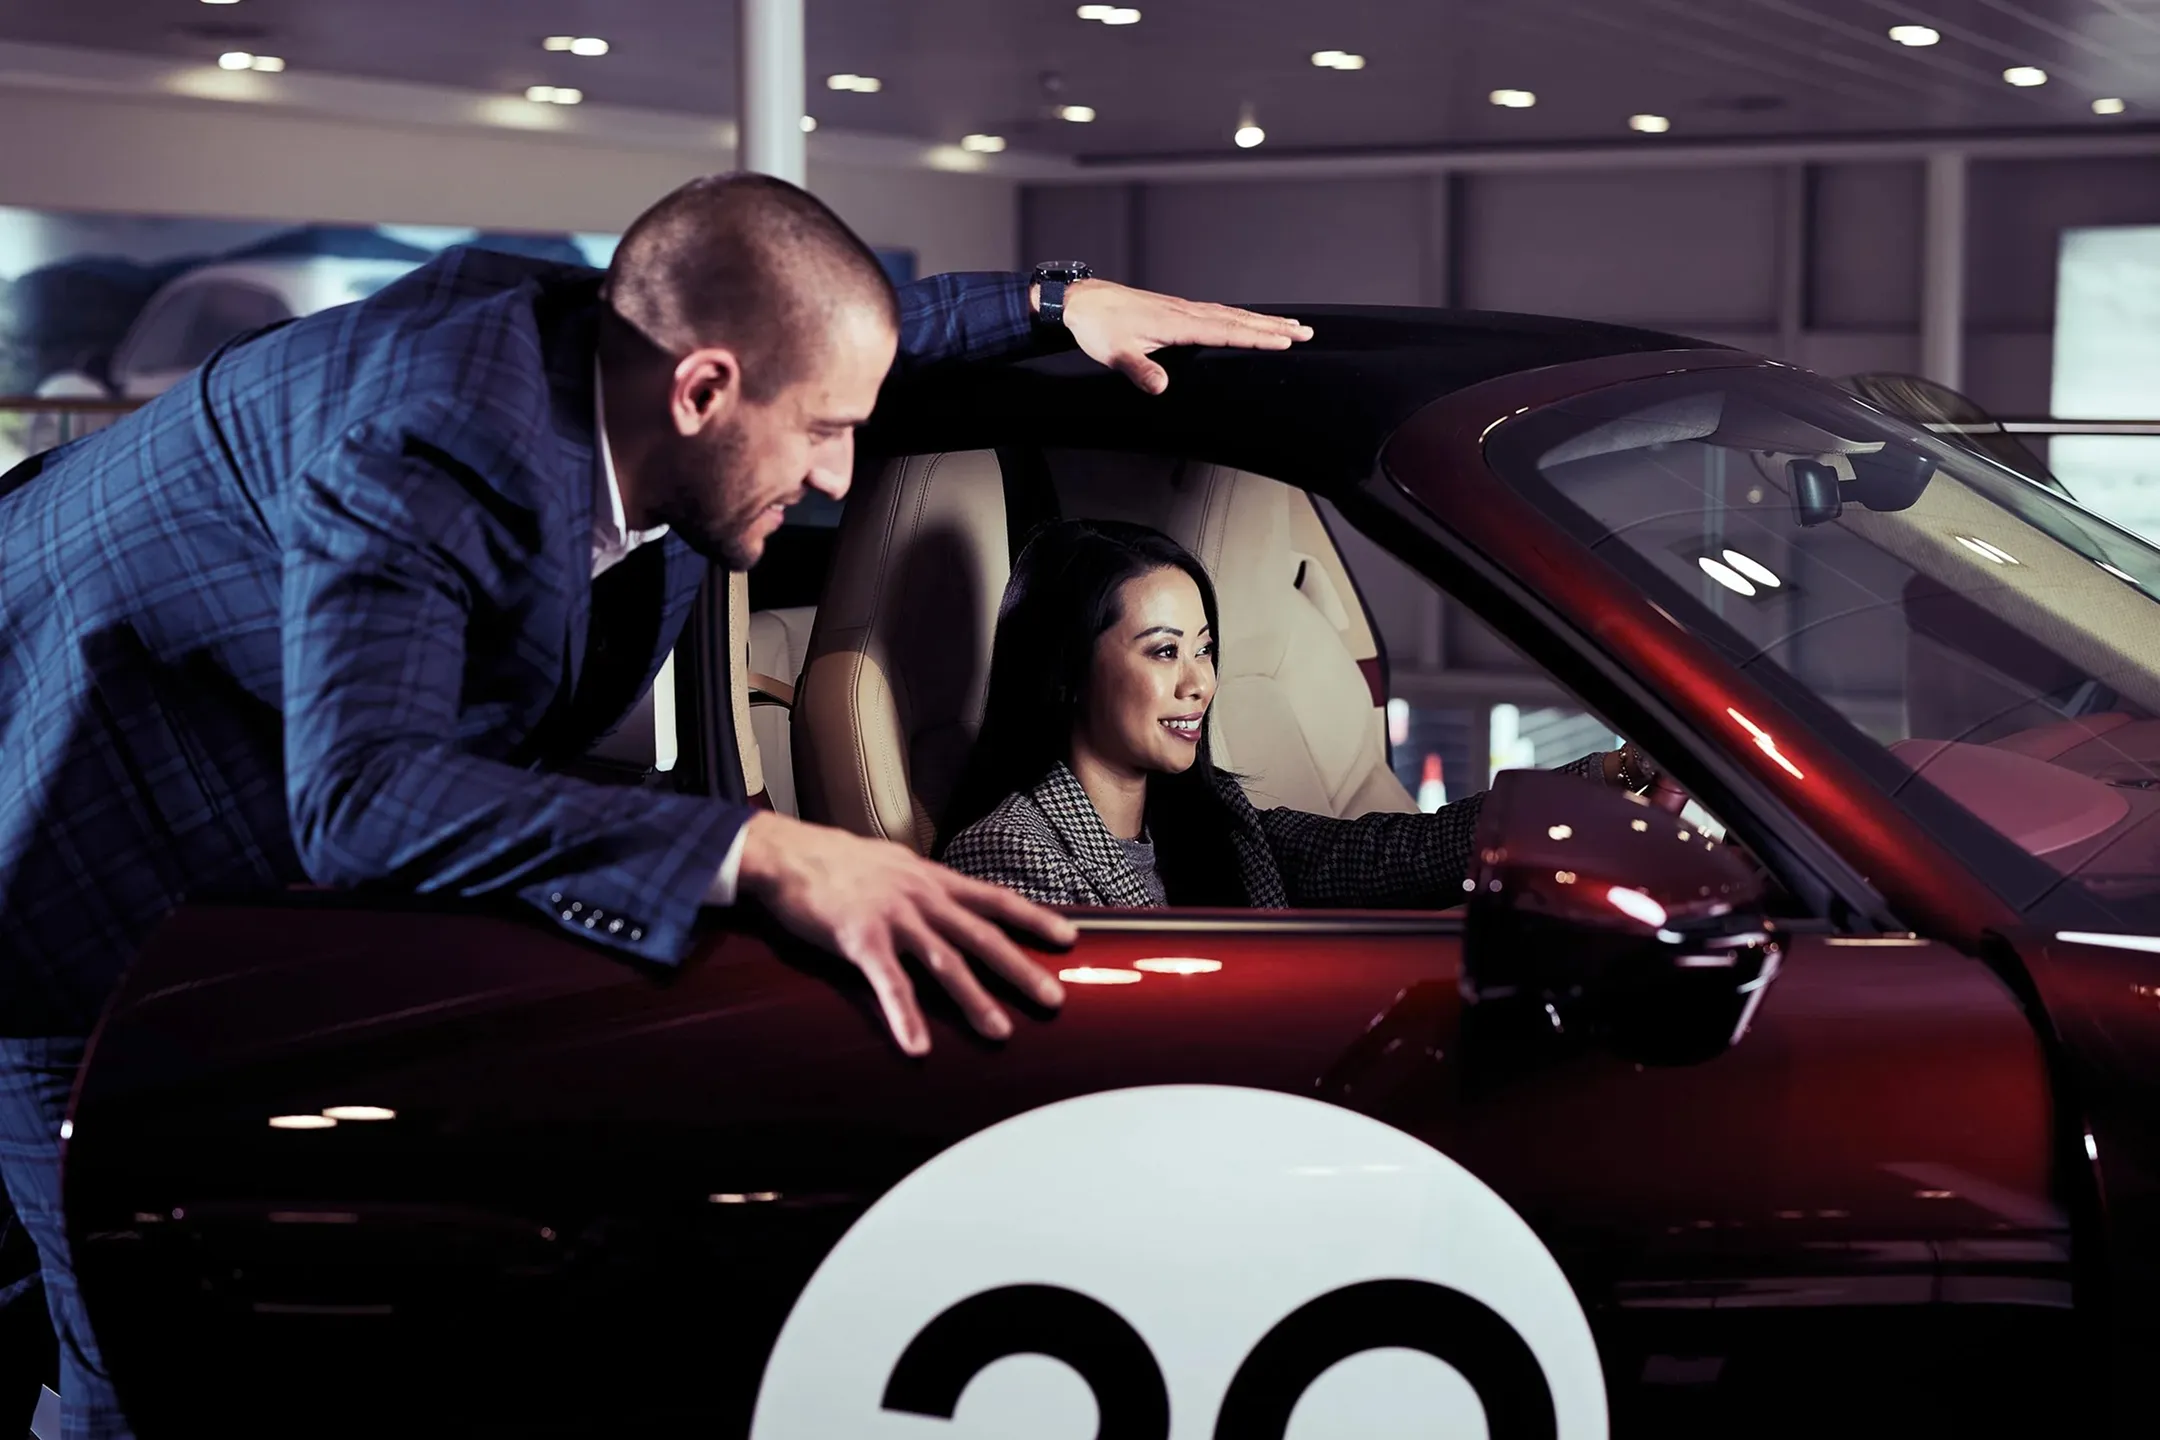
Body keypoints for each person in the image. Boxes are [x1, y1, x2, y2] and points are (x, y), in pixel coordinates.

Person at [0, 173, 1311, 1438]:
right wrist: (762, 848)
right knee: (147, 1368)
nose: (845, 480)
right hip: (68, 863)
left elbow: (809, 330)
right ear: (703, 394)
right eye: (824, 435)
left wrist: (1045, 307)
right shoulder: (423, 447)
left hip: (229, 802)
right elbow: (365, 792)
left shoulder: (651, 357)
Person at [939, 519, 1685, 907]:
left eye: (1205, 650)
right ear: (1068, 670)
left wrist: (1610, 778)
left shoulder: (1212, 815)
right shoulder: (1008, 854)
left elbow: (1395, 854)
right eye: (1164, 653)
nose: (1200, 684)